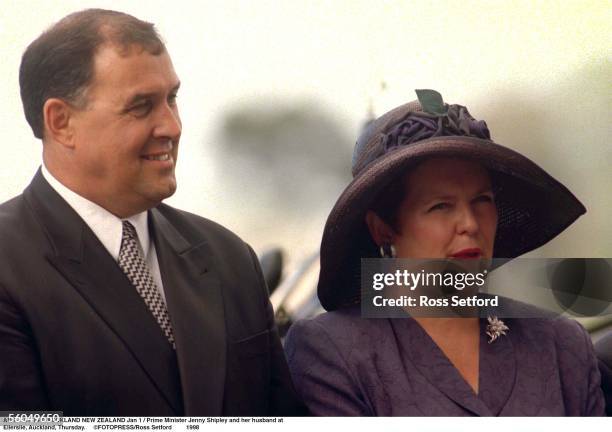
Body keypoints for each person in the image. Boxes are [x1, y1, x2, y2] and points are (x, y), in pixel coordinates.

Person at [0, 9, 304, 416]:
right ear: (61, 122)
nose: (172, 126)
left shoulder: (229, 259)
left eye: (172, 99)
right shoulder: (9, 268)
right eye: (141, 106)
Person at [284, 90, 605, 416]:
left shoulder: (559, 343)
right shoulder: (334, 349)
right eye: (440, 206)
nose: (469, 223)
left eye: (482, 200)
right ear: (382, 229)